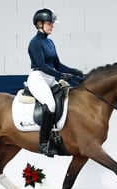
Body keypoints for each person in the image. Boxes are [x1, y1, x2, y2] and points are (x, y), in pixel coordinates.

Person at [26, 8, 83, 157]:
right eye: (49, 23)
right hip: (38, 79)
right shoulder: (34, 43)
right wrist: (61, 75)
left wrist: (74, 71)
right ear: (40, 24)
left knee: (67, 97)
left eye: (52, 23)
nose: (52, 26)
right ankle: (43, 144)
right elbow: (43, 66)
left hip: (50, 78)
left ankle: (59, 135)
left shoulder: (50, 42)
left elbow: (57, 64)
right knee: (50, 105)